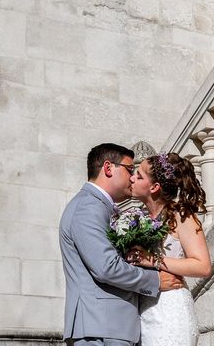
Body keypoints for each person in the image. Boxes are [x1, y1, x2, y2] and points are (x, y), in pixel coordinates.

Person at [59, 143, 184, 346]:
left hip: (109, 326)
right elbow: (107, 268)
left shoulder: (99, 206)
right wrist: (155, 280)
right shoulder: (88, 207)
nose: (132, 177)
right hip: (100, 328)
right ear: (108, 168)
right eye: (129, 170)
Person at [128, 152, 212, 346]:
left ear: (154, 187)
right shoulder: (137, 219)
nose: (132, 177)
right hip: (144, 311)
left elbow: (203, 266)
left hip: (170, 311)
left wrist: (153, 260)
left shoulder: (181, 216)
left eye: (139, 175)